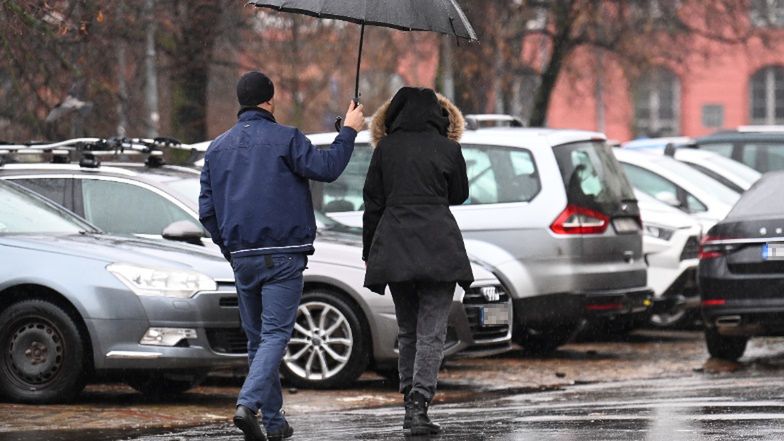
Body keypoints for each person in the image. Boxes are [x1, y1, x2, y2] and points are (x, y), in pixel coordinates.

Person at [199, 71, 364, 441]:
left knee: (258, 340)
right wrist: (350, 130)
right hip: (283, 256)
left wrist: (230, 249)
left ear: (241, 102)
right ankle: (248, 404)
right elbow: (328, 168)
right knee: (275, 335)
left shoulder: (217, 149)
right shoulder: (287, 138)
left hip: (242, 257)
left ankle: (274, 423)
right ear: (270, 101)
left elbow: (207, 211)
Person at [362, 87, 473, 435]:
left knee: (408, 329)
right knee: (432, 331)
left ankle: (409, 400)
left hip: (395, 248)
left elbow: (372, 204)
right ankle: (419, 404)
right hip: (439, 246)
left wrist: (370, 253)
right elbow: (460, 194)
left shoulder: (386, 149)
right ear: (438, 115)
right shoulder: (448, 148)